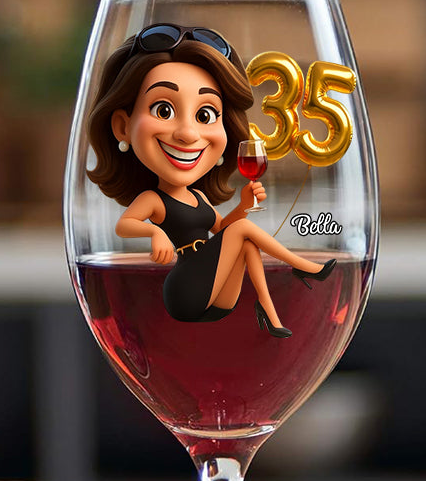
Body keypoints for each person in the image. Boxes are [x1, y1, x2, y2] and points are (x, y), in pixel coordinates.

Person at [85, 24, 336, 339]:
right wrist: (154, 232)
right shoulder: (154, 200)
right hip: (185, 290)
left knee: (244, 239)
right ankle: (301, 266)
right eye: (163, 110)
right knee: (242, 232)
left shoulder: (201, 199)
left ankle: (269, 312)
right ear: (123, 127)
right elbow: (125, 226)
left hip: (215, 295)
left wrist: (243, 206)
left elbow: (223, 229)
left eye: (205, 115)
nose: (188, 134)